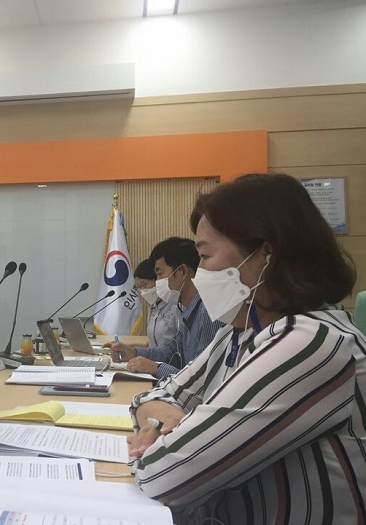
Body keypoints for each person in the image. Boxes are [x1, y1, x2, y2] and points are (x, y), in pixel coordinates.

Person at [128, 173, 365, 524]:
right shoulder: (240, 330)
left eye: (204, 256)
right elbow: (152, 396)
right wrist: (166, 422)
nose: (198, 273)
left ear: (266, 254)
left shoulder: (311, 342)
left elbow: (163, 474)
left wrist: (162, 436)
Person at [107, 237, 223, 380]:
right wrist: (133, 352)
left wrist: (156, 368)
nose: (158, 282)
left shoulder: (207, 313)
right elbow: (171, 351)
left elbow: (200, 380)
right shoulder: (187, 310)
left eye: (160, 274)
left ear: (182, 271)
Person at [135, 258, 182, 347]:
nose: (142, 290)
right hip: (156, 356)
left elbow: (181, 344)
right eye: (138, 287)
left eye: (144, 285)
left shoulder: (176, 305)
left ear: (158, 280)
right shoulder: (153, 307)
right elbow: (152, 344)